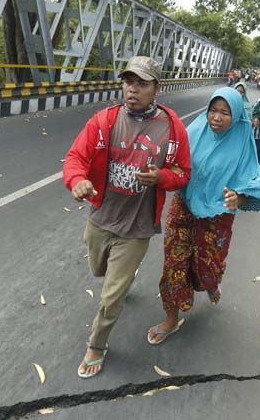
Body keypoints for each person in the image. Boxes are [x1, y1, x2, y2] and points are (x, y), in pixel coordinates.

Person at [62, 56, 192, 378]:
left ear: (156, 88)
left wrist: (161, 177)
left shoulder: (172, 129)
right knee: (98, 269)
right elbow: (76, 157)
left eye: (142, 83)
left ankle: (97, 344)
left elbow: (182, 172)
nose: (132, 90)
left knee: (111, 295)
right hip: (101, 216)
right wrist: (77, 180)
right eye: (128, 82)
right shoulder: (104, 121)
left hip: (137, 227)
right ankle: (121, 277)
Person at [146, 87, 260, 345]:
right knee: (173, 263)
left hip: (217, 216)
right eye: (213, 111)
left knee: (207, 266)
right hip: (184, 206)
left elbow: (253, 181)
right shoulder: (192, 132)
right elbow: (173, 163)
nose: (216, 117)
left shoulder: (242, 141)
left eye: (225, 113)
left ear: (236, 116)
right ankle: (171, 318)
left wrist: (240, 197)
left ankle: (211, 283)